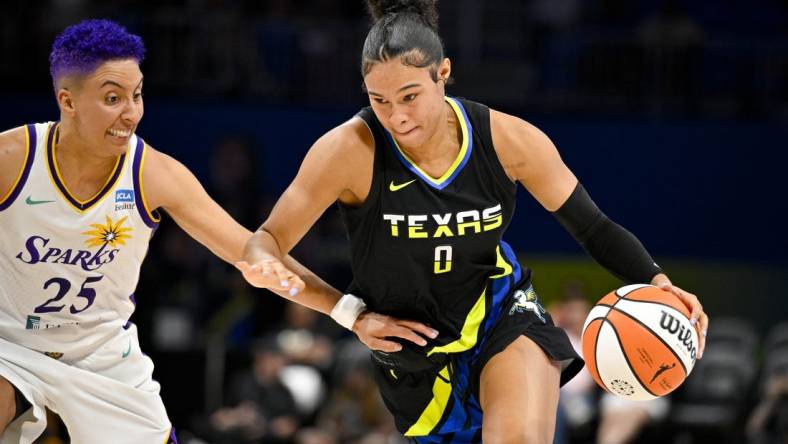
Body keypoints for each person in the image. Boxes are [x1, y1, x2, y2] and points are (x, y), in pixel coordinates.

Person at [237, 1, 710, 442]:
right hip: (411, 349)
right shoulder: (346, 151)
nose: (397, 116)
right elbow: (267, 243)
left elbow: (594, 228)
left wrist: (658, 282)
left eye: (409, 95)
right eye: (380, 100)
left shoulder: (508, 139)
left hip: (501, 314)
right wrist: (346, 311)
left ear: (443, 73)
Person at [0, 19, 325, 443]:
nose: (131, 112)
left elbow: (248, 247)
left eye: (136, 95)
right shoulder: (12, 159)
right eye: (112, 98)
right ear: (68, 101)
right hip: (12, 348)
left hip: (101, 355)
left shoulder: (153, 173)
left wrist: (350, 314)